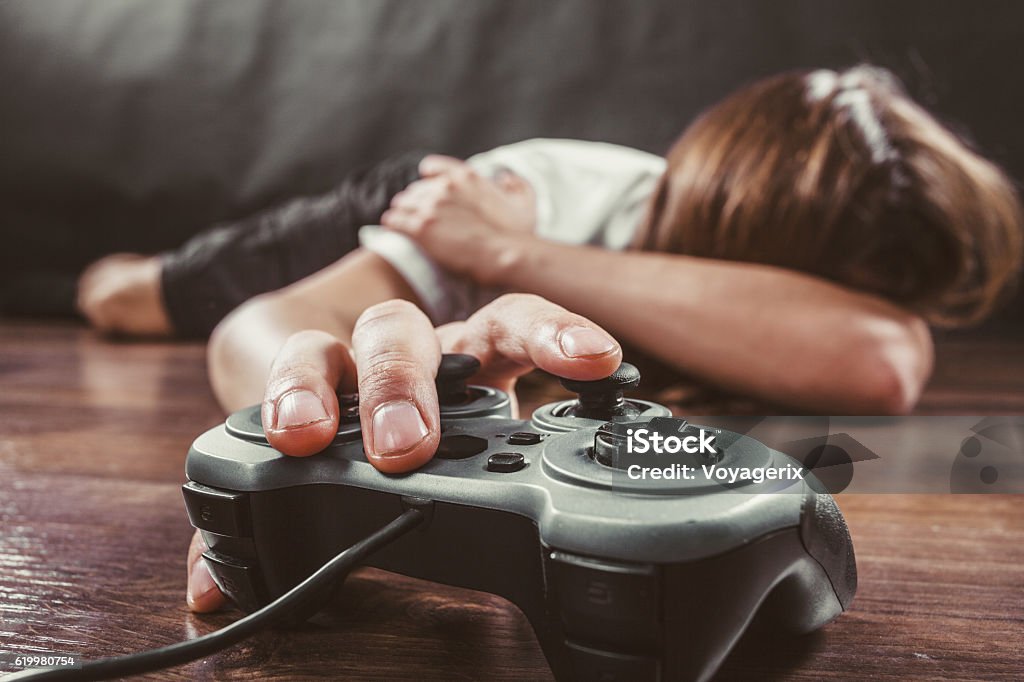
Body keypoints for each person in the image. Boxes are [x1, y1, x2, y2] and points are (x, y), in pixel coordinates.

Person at [178, 65, 1022, 611]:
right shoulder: (531, 191)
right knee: (135, 295)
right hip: (396, 209)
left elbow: (882, 357)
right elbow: (254, 328)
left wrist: (514, 255)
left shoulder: (520, 233)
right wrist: (313, 444)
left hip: (495, 239)